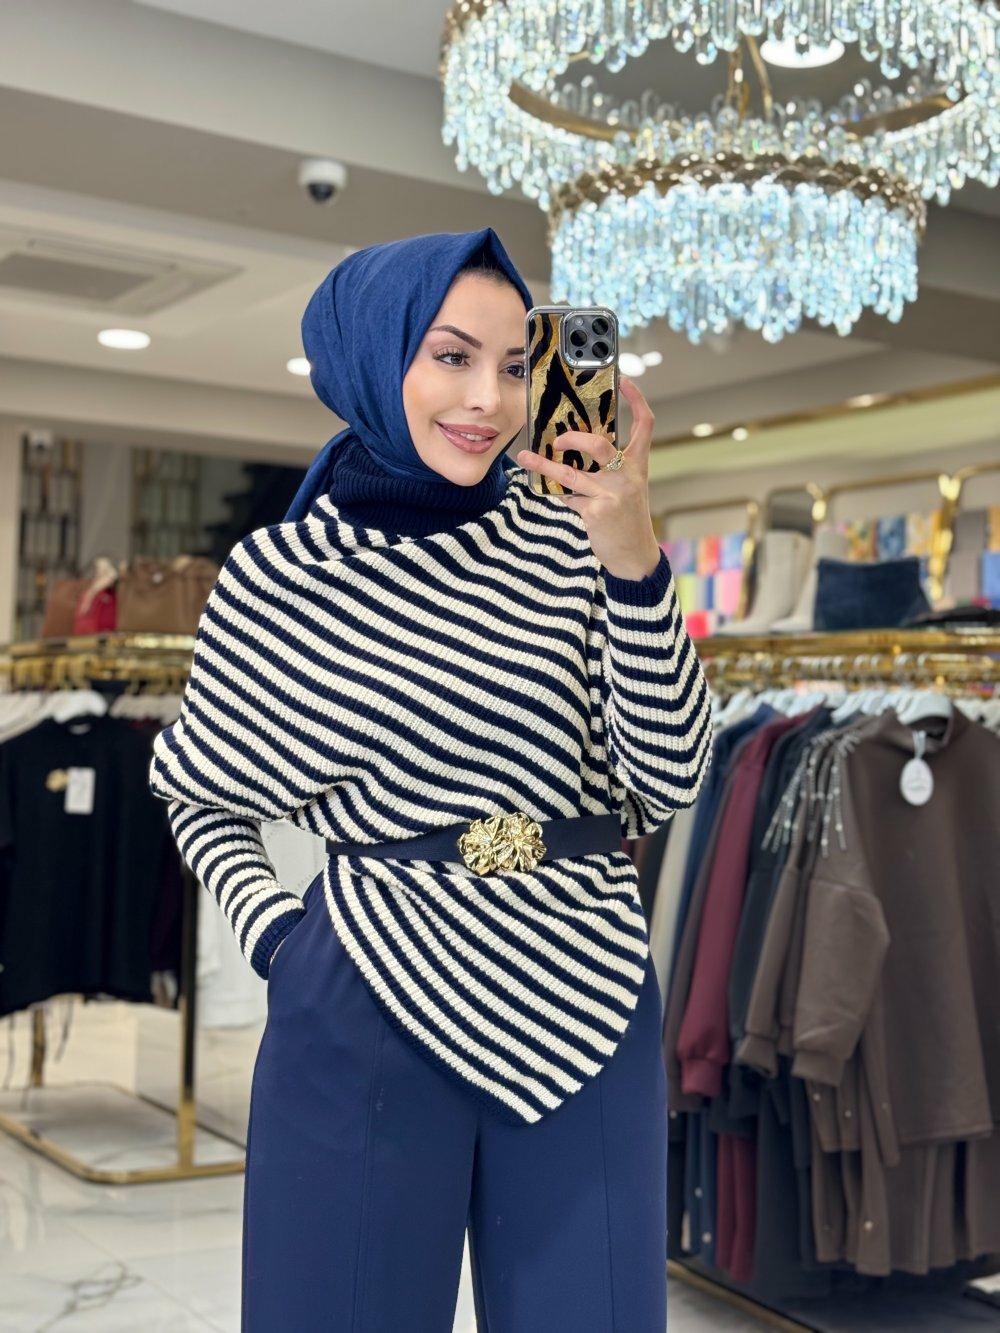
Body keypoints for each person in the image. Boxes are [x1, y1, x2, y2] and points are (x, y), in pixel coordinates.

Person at [148, 227, 714, 1331]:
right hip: (363, 988)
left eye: (515, 364)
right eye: (450, 356)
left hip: (584, 988)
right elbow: (201, 792)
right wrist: (281, 937)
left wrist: (633, 555)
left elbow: (672, 775)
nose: (488, 400)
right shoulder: (284, 572)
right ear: (375, 355)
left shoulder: (576, 543)